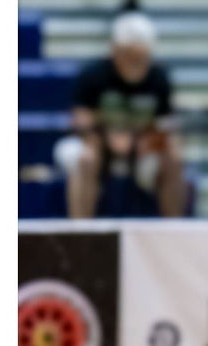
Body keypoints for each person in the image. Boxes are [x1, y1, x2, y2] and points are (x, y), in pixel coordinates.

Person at [65, 11, 190, 219]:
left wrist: (143, 142)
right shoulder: (93, 75)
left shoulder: (159, 78)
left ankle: (173, 228)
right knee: (85, 158)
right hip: (95, 144)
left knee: (174, 158)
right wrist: (105, 139)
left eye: (141, 57)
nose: (135, 63)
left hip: (141, 149)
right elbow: (81, 120)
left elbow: (166, 126)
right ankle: (80, 232)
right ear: (115, 51)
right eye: (129, 56)